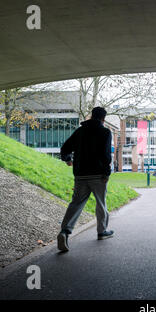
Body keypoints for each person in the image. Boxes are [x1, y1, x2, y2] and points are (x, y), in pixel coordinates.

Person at [57, 107, 114, 252]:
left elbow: (65, 148)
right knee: (101, 203)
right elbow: (106, 155)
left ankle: (65, 232)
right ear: (103, 119)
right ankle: (102, 231)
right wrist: (106, 173)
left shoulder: (79, 131)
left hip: (81, 174)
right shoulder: (105, 132)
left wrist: (68, 159)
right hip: (98, 174)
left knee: (76, 203)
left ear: (91, 116)